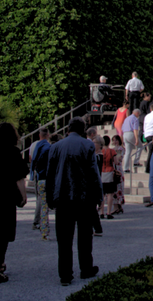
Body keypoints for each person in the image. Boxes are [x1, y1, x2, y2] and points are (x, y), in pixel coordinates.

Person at [46, 117, 103, 286]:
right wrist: (98, 196)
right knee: (85, 236)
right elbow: (94, 173)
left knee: (63, 238)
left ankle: (65, 274)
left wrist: (49, 197)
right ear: (83, 130)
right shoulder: (87, 145)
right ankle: (86, 268)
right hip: (84, 198)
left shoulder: (55, 147)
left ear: (69, 129)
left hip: (62, 198)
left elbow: (50, 175)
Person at [0, 122, 28, 284]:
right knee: (4, 233)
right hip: (7, 197)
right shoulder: (14, 153)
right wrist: (23, 197)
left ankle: (0, 264)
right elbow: (19, 177)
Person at [30, 128, 52, 240]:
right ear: (47, 135)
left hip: (39, 178)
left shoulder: (35, 146)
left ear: (39, 135)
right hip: (48, 178)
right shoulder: (48, 147)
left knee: (43, 205)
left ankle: (44, 231)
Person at [97, 135, 117, 220]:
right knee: (110, 194)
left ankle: (101, 212)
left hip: (101, 172)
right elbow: (116, 161)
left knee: (102, 193)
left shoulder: (100, 151)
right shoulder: (112, 151)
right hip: (109, 171)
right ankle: (108, 212)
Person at [111, 134, 125, 215]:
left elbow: (119, 158)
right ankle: (116, 206)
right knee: (115, 188)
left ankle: (119, 205)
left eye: (116, 140)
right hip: (114, 168)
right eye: (113, 140)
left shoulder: (121, 149)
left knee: (119, 187)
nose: (115, 142)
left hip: (118, 168)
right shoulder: (112, 149)